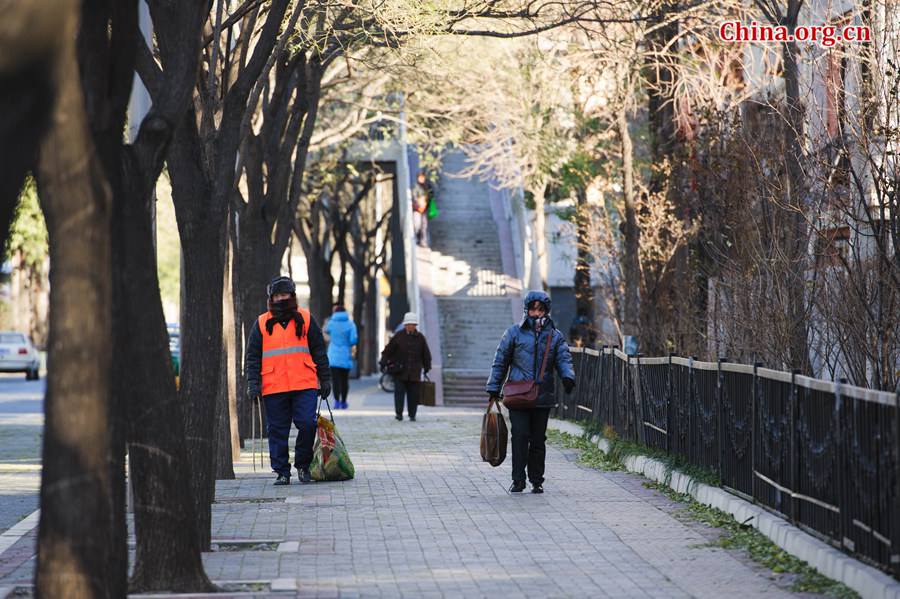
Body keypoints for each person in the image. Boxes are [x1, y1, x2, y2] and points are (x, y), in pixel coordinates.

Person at [485, 290, 575, 494]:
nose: (536, 313)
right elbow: (501, 360)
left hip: (542, 396)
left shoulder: (554, 335)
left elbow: (563, 358)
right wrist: (493, 387)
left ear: (546, 311)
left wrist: (568, 376)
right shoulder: (513, 333)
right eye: (533, 309)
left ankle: (537, 480)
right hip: (517, 396)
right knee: (519, 436)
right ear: (527, 309)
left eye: (540, 309)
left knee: (537, 439)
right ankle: (518, 479)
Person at [245, 276, 331, 485]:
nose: (280, 299)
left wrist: (325, 379)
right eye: (276, 296)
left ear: (292, 296)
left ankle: (303, 466)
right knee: (277, 430)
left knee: (307, 424)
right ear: (271, 298)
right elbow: (253, 356)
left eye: (284, 295)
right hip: (274, 385)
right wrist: (252, 383)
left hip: (304, 383)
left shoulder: (306, 319)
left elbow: (319, 351)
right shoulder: (262, 323)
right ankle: (282, 471)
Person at [380, 312, 432, 421]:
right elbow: (388, 351)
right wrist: (383, 363)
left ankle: (412, 415)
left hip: (414, 372)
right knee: (399, 394)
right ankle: (399, 414)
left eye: (412, 324)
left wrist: (427, 367)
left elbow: (426, 354)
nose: (410, 326)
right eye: (408, 324)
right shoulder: (398, 336)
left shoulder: (420, 338)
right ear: (405, 325)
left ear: (415, 325)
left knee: (413, 395)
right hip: (400, 371)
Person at [325, 304, 358, 410]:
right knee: (344, 380)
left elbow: (325, 332)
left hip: (333, 355)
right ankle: (344, 402)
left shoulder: (331, 323)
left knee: (335, 380)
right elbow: (354, 340)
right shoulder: (351, 324)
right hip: (345, 355)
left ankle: (336, 402)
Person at [412, 171, 434, 247]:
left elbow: (431, 194)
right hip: (417, 209)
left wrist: (426, 200)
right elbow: (414, 197)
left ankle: (423, 241)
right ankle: (417, 239)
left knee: (424, 225)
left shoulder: (427, 186)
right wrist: (419, 201)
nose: (421, 179)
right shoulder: (415, 187)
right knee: (417, 224)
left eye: (422, 177)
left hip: (425, 209)